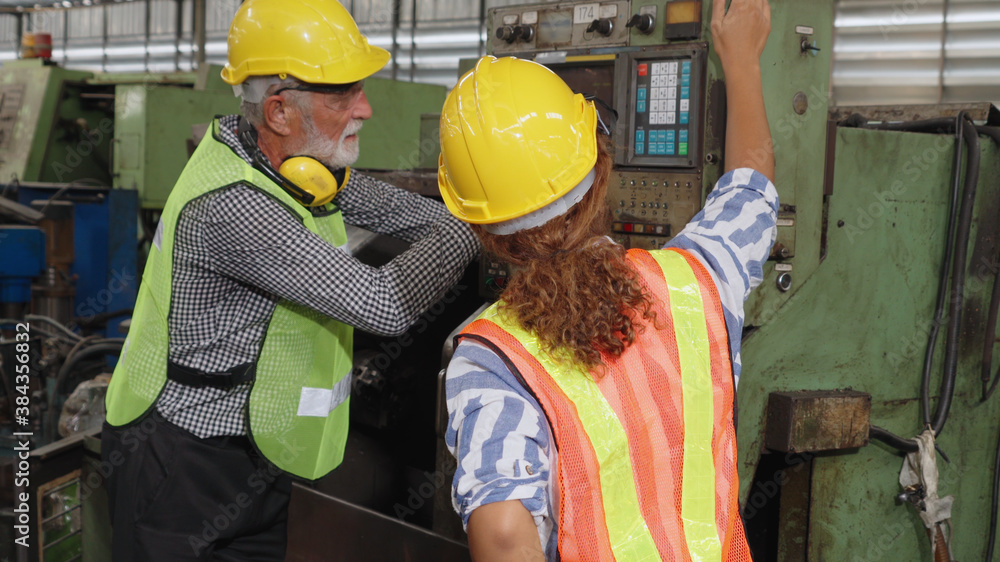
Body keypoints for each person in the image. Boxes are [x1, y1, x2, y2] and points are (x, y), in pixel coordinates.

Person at [100, 0, 479, 559]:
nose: (366, 109)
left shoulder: (298, 168)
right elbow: (387, 303)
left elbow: (424, 217)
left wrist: (469, 216)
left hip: (260, 452)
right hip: (183, 464)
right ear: (279, 112)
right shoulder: (233, 205)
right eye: (343, 94)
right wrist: (480, 230)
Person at [439, 0, 775, 559]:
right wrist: (742, 63)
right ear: (600, 169)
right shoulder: (695, 282)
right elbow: (750, 192)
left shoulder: (492, 356)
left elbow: (502, 531)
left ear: (483, 228)